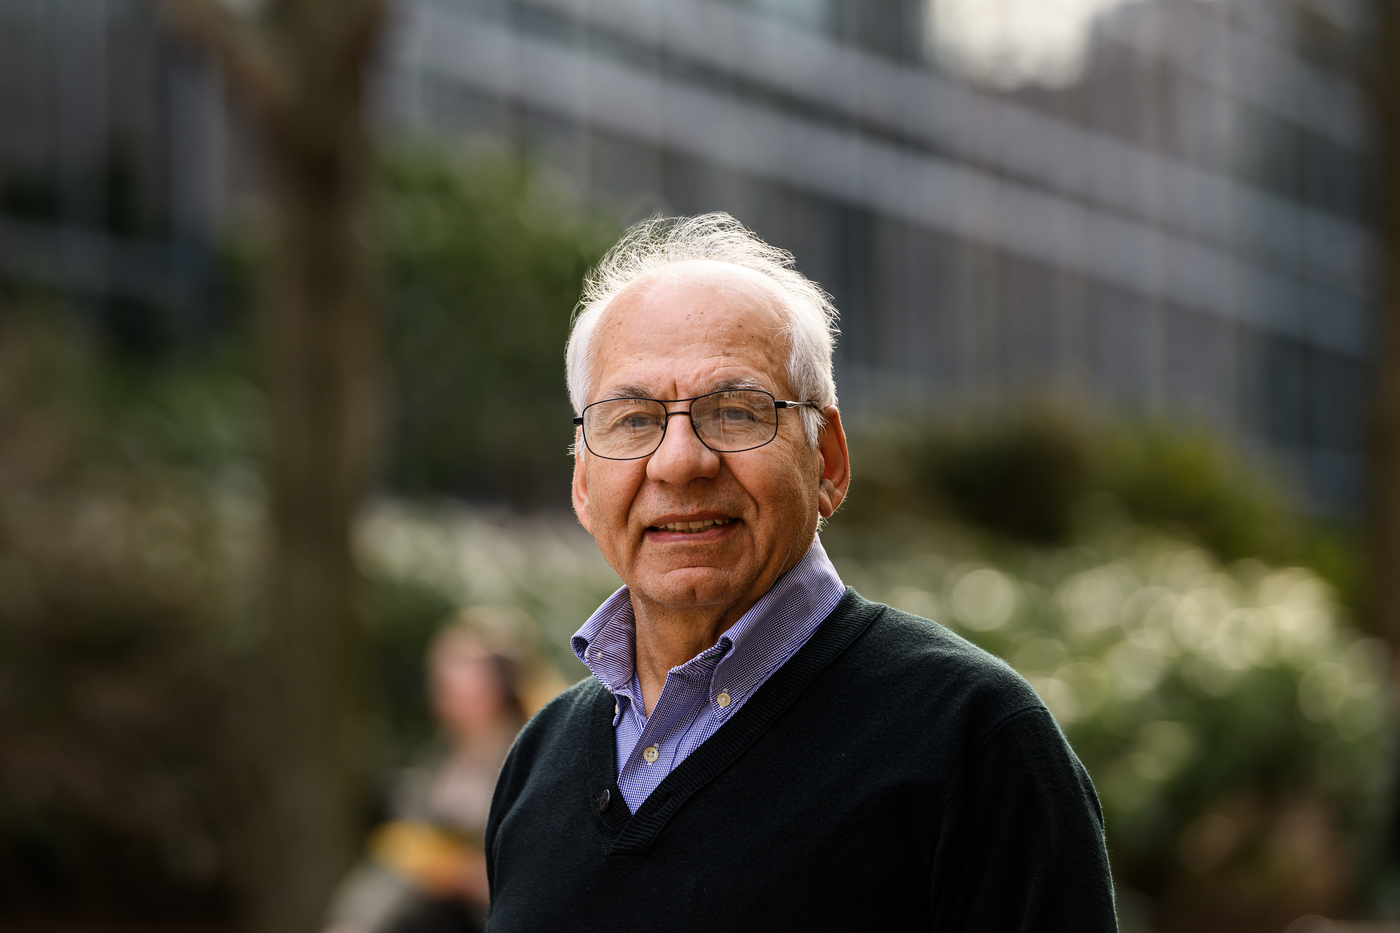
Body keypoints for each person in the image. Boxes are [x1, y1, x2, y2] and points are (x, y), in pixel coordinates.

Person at [485, 214, 1118, 931]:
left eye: (734, 411)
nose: (680, 461)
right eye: (632, 420)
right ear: (582, 484)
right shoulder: (537, 762)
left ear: (830, 460)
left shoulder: (977, 741)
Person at [326, 612, 552, 933]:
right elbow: (399, 863)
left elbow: (544, 879)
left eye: (461, 669)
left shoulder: (536, 756)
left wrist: (463, 875)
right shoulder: (439, 757)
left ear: (500, 681)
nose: (443, 682)